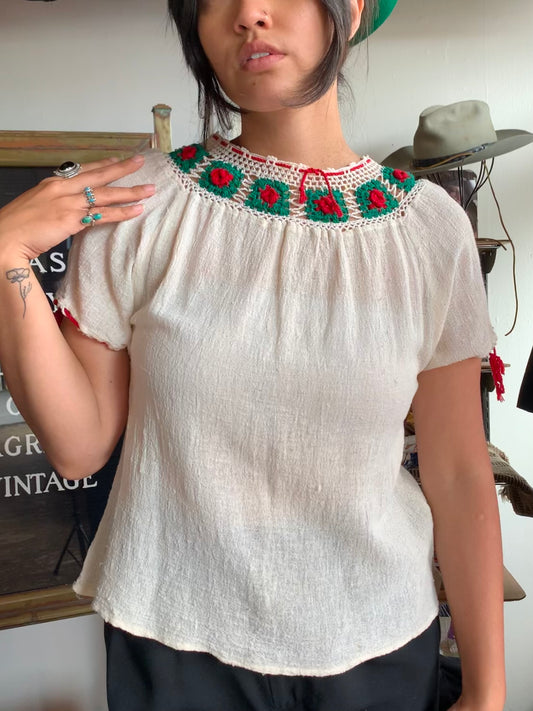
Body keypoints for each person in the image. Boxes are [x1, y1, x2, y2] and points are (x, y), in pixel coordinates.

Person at [0, 1, 506, 710]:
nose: (248, 14)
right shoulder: (138, 205)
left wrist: (486, 688)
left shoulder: (428, 231)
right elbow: (78, 446)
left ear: (352, 10)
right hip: (176, 640)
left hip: (378, 638)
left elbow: (457, 471)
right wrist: (6, 256)